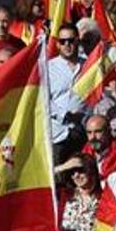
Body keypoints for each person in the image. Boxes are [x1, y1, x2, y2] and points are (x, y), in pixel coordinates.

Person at [54, 156, 103, 231]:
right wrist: (64, 167)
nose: (76, 175)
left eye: (81, 171)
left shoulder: (103, 195)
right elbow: (44, 180)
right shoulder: (65, 194)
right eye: (72, 172)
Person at [48, 23, 88, 158]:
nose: (67, 44)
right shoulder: (48, 68)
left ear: (78, 41)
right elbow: (43, 99)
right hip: (58, 134)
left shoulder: (89, 65)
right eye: (62, 41)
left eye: (71, 41)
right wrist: (64, 115)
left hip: (85, 131)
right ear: (57, 44)